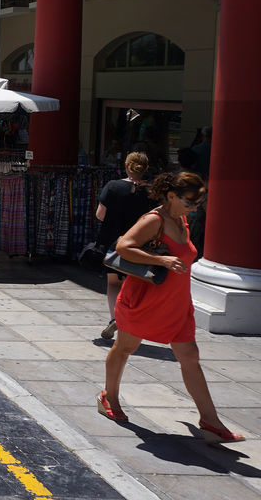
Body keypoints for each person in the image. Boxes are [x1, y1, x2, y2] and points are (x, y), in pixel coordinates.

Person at [100, 171, 242, 443]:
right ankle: (109, 397)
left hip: (176, 304)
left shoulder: (181, 219)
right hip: (144, 302)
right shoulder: (154, 220)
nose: (194, 208)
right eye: (189, 203)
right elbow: (123, 246)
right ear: (171, 196)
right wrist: (161, 261)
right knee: (125, 348)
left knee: (190, 357)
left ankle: (210, 422)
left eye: (198, 203)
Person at [95, 152, 154, 340]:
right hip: (140, 244)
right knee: (135, 282)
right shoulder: (151, 191)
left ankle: (114, 318)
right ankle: (132, 319)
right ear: (145, 168)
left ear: (126, 166)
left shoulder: (113, 186)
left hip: (115, 241)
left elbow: (100, 215)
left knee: (113, 283)